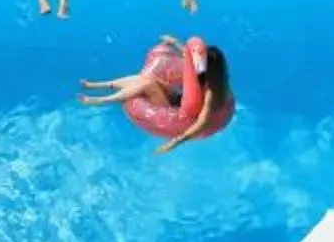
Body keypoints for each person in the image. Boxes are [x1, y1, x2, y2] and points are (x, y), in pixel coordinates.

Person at [82, 41, 234, 156]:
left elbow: (202, 123)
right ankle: (97, 86)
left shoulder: (210, 94)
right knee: (150, 80)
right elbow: (190, 60)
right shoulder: (217, 79)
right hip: (180, 101)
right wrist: (175, 44)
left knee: (147, 84)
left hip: (182, 116)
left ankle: (101, 100)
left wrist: (175, 142)